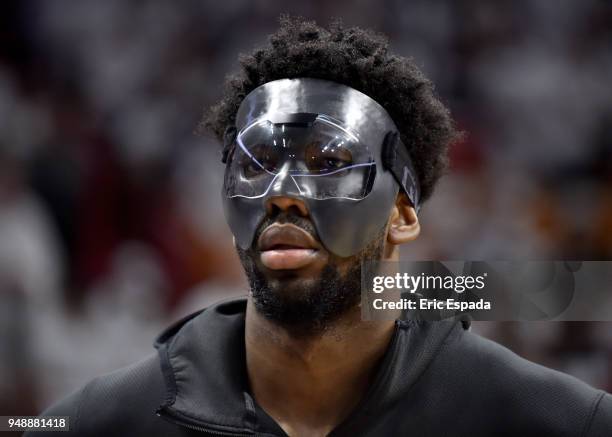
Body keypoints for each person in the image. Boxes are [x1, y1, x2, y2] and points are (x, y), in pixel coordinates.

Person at [28, 16, 611, 437]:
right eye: (255, 164)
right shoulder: (86, 423)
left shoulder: (559, 421)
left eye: (330, 163)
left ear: (404, 215)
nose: (281, 191)